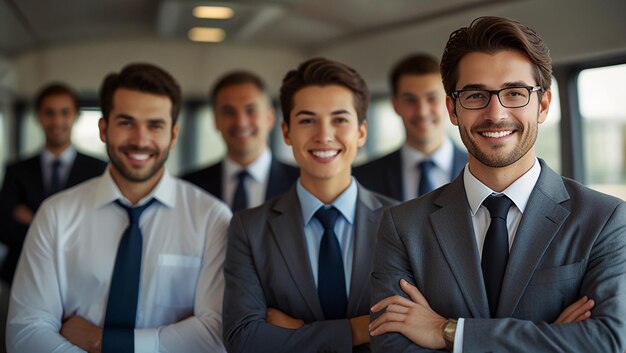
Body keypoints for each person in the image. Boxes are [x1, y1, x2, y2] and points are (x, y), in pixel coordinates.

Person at [369, 16, 626, 352]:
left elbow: (608, 341)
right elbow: (391, 347)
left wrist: (449, 333)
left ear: (543, 104)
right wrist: (551, 338)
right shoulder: (403, 226)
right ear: (453, 108)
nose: (496, 113)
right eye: (476, 95)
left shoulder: (604, 219)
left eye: (515, 93)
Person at [6, 63, 230, 353]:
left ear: (173, 135)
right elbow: (26, 331)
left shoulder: (212, 218)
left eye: (154, 125)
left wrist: (102, 342)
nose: (140, 139)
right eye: (126, 122)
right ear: (103, 129)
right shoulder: (56, 215)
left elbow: (216, 334)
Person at [222, 58, 396, 353]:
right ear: (287, 132)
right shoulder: (249, 228)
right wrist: (359, 328)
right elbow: (243, 339)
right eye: (307, 120)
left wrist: (299, 334)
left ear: (362, 132)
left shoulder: (402, 220)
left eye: (339, 119)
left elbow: (407, 334)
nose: (324, 135)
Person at [0, 83, 107, 284]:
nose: (57, 120)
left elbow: (99, 226)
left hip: (79, 275)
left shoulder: (98, 170)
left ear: (76, 116)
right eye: (49, 112)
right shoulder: (16, 170)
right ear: (38, 116)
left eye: (64, 112)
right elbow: (4, 228)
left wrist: (34, 219)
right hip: (21, 273)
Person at [353, 54, 466, 201]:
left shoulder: (481, 170)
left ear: (448, 103)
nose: (422, 111)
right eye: (410, 100)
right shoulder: (363, 178)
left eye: (431, 98)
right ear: (395, 105)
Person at [182, 71, 298, 211]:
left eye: (250, 110)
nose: (241, 123)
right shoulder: (189, 187)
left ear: (270, 117)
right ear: (216, 120)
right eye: (228, 112)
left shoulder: (302, 184)